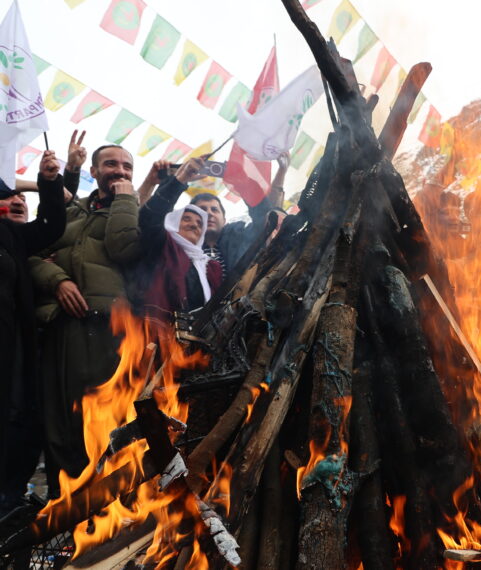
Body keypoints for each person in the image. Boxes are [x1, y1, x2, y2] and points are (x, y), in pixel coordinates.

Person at [29, 142, 143, 492]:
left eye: (126, 167)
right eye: (111, 164)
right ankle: (61, 506)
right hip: (63, 328)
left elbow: (125, 249)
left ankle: (104, 507)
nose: (119, 171)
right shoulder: (71, 210)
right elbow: (30, 254)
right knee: (60, 421)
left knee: (105, 420)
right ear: (94, 171)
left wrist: (127, 199)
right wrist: (57, 281)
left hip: (108, 329)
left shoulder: (134, 210)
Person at [0, 151, 67, 516]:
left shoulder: (10, 234)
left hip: (12, 352)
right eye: (6, 197)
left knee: (17, 423)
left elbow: (52, 226)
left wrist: (50, 181)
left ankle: (8, 502)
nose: (11, 202)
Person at [132, 158, 222, 320]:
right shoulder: (160, 245)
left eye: (200, 223)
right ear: (172, 223)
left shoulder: (212, 268)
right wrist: (179, 180)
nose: (194, 225)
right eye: (186, 219)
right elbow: (149, 218)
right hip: (156, 334)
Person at [178, 154, 288, 279]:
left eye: (215, 210)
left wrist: (243, 183)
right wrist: (178, 180)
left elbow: (266, 218)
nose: (209, 213)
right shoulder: (179, 246)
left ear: (224, 220)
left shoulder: (238, 238)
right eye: (202, 210)